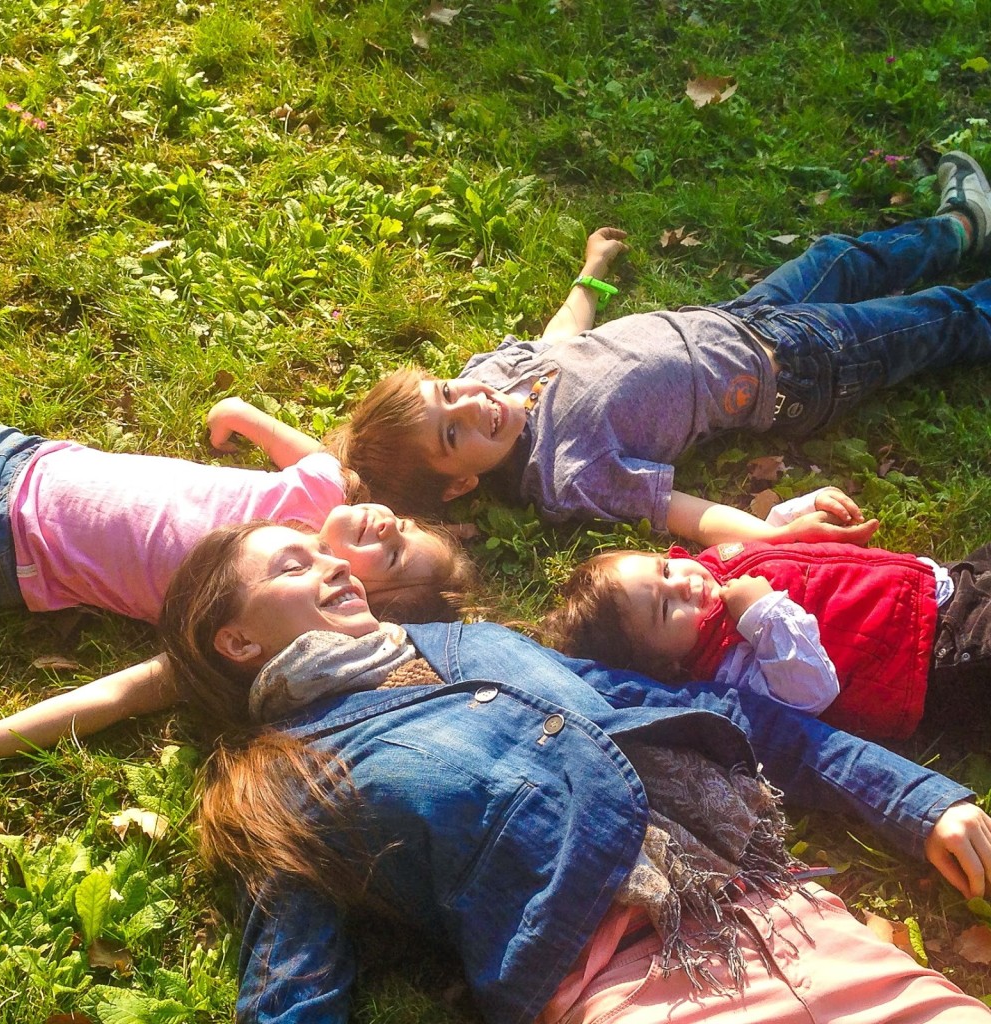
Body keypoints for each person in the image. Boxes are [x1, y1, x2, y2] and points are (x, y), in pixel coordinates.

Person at [159, 519, 991, 1023]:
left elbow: (727, 713)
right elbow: (292, 976)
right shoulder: (287, 774)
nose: (334, 564)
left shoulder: (478, 644)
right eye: (293, 567)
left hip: (781, 913)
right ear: (238, 641)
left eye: (322, 550)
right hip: (625, 985)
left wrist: (915, 802)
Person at [326, 152, 991, 534]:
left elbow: (560, 337)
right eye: (452, 434)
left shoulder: (497, 376)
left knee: (839, 257)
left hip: (739, 316)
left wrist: (591, 274)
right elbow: (683, 514)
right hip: (791, 369)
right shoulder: (565, 475)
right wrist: (772, 536)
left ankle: (961, 226)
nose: (473, 404)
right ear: (461, 484)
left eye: (447, 392)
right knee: (934, 319)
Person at [0, 407, 475, 763]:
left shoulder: (251, 611)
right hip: (25, 454)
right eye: (404, 523)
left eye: (392, 557)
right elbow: (315, 455)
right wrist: (245, 418)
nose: (387, 526)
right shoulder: (322, 494)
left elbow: (121, 695)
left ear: (355, 598)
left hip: (1, 540)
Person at [542, 487, 991, 742]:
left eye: (665, 569)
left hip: (934, 585)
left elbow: (771, 538)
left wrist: (804, 510)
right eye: (665, 608)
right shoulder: (729, 669)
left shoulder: (713, 563)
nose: (682, 583)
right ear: (665, 666)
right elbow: (813, 692)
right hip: (931, 655)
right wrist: (762, 613)